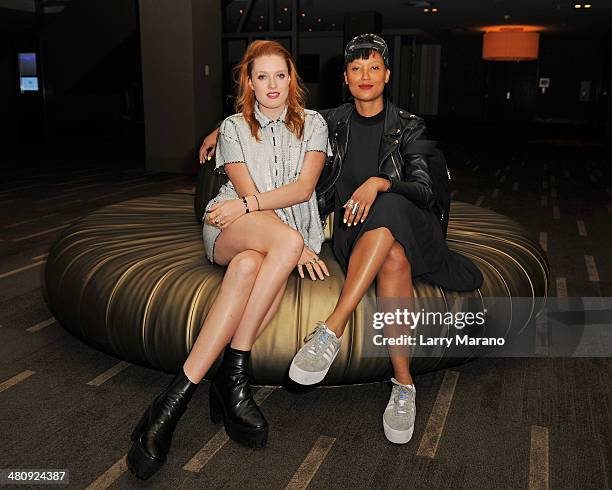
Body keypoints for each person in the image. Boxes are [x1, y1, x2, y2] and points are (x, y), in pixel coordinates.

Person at [199, 34, 483, 446]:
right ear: (346, 79)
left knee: (384, 209)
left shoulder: (411, 125)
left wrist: (380, 182)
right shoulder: (330, 121)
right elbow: (274, 109)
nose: (365, 76)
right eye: (355, 69)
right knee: (392, 260)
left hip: (411, 224)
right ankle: (404, 384)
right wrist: (216, 134)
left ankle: (332, 328)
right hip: (359, 236)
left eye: (373, 68)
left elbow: (425, 190)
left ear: (387, 75)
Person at [128, 40, 331, 480]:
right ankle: (235, 377)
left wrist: (273, 223)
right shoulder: (234, 126)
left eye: (280, 75)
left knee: (247, 268)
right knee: (277, 245)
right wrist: (286, 236)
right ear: (249, 83)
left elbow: (302, 189)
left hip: (262, 225)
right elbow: (240, 192)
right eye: (262, 76)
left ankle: (173, 400)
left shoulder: (315, 125)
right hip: (229, 223)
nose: (272, 84)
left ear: (292, 78)